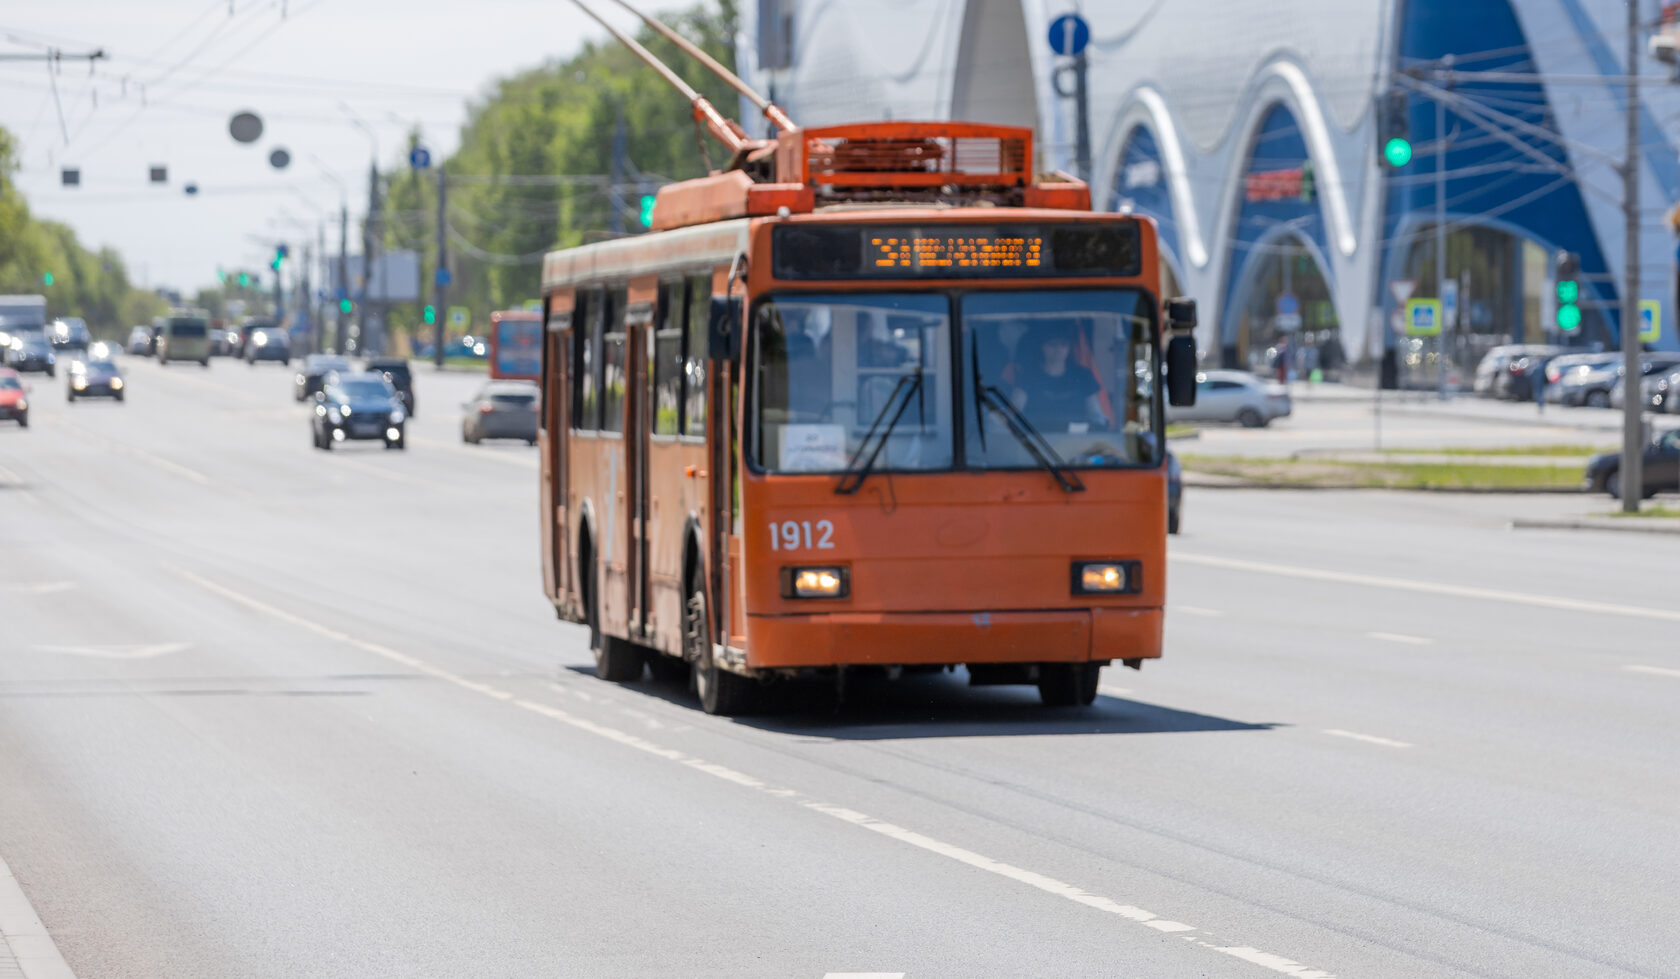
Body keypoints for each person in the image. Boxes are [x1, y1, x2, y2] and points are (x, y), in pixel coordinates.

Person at [1010, 322, 1108, 432]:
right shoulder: (1029, 376)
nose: (1058, 350)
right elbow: (1014, 411)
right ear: (1042, 347)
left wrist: (1101, 425)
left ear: (1069, 348)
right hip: (1036, 441)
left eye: (1063, 344)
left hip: (1077, 442)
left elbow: (1095, 413)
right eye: (1052, 344)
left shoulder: (1083, 376)